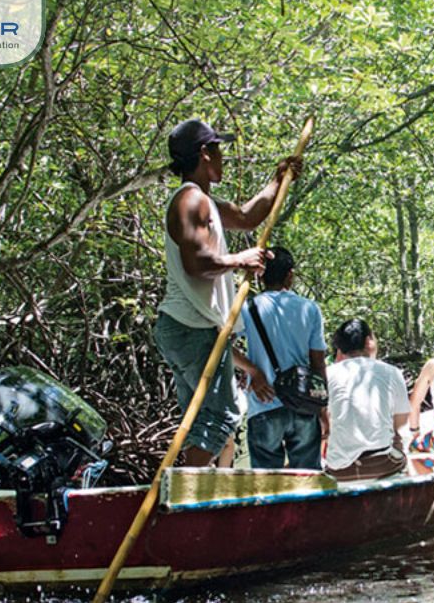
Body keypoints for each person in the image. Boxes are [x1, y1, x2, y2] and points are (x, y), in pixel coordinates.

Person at [154, 118, 300, 467]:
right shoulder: (191, 201)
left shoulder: (203, 201)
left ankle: (188, 494)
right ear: (205, 153)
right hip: (191, 328)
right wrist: (240, 260)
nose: (223, 159)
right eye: (219, 150)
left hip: (183, 327)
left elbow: (248, 216)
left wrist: (280, 179)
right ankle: (187, 489)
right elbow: (196, 262)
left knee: (199, 418)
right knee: (223, 414)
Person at [232, 246, 328, 469]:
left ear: (260, 275)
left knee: (267, 484)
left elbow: (220, 345)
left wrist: (253, 372)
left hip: (265, 403)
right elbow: (318, 364)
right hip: (303, 405)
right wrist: (323, 409)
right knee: (307, 480)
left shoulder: (248, 308)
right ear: (290, 275)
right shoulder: (310, 309)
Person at [324, 319, 409, 482]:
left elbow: (323, 425)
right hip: (382, 465)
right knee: (401, 453)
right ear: (369, 341)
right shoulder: (392, 372)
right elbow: (401, 427)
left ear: (340, 348)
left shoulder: (328, 374)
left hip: (340, 471)